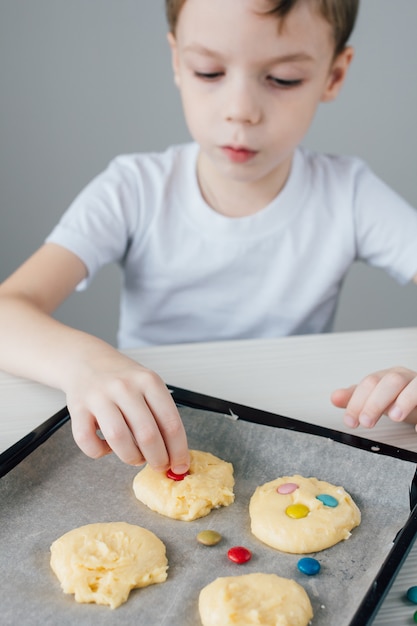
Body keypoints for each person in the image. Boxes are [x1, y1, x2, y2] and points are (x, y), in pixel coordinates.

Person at [0, 0, 417, 472]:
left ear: (334, 75)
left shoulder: (350, 193)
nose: (240, 111)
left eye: (283, 79)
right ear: (178, 61)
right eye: (208, 71)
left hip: (288, 432)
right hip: (147, 435)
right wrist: (85, 364)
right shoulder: (134, 188)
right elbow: (7, 310)